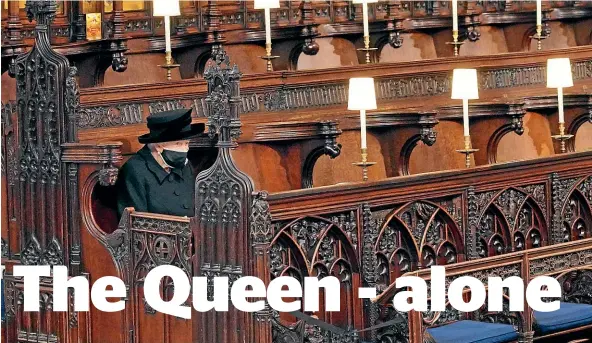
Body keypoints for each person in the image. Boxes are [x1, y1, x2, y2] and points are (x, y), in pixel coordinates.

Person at [115, 108, 205, 219]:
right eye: (178, 144)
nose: (185, 149)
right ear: (158, 146)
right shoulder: (135, 170)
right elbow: (135, 224)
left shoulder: (186, 165)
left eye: (186, 143)